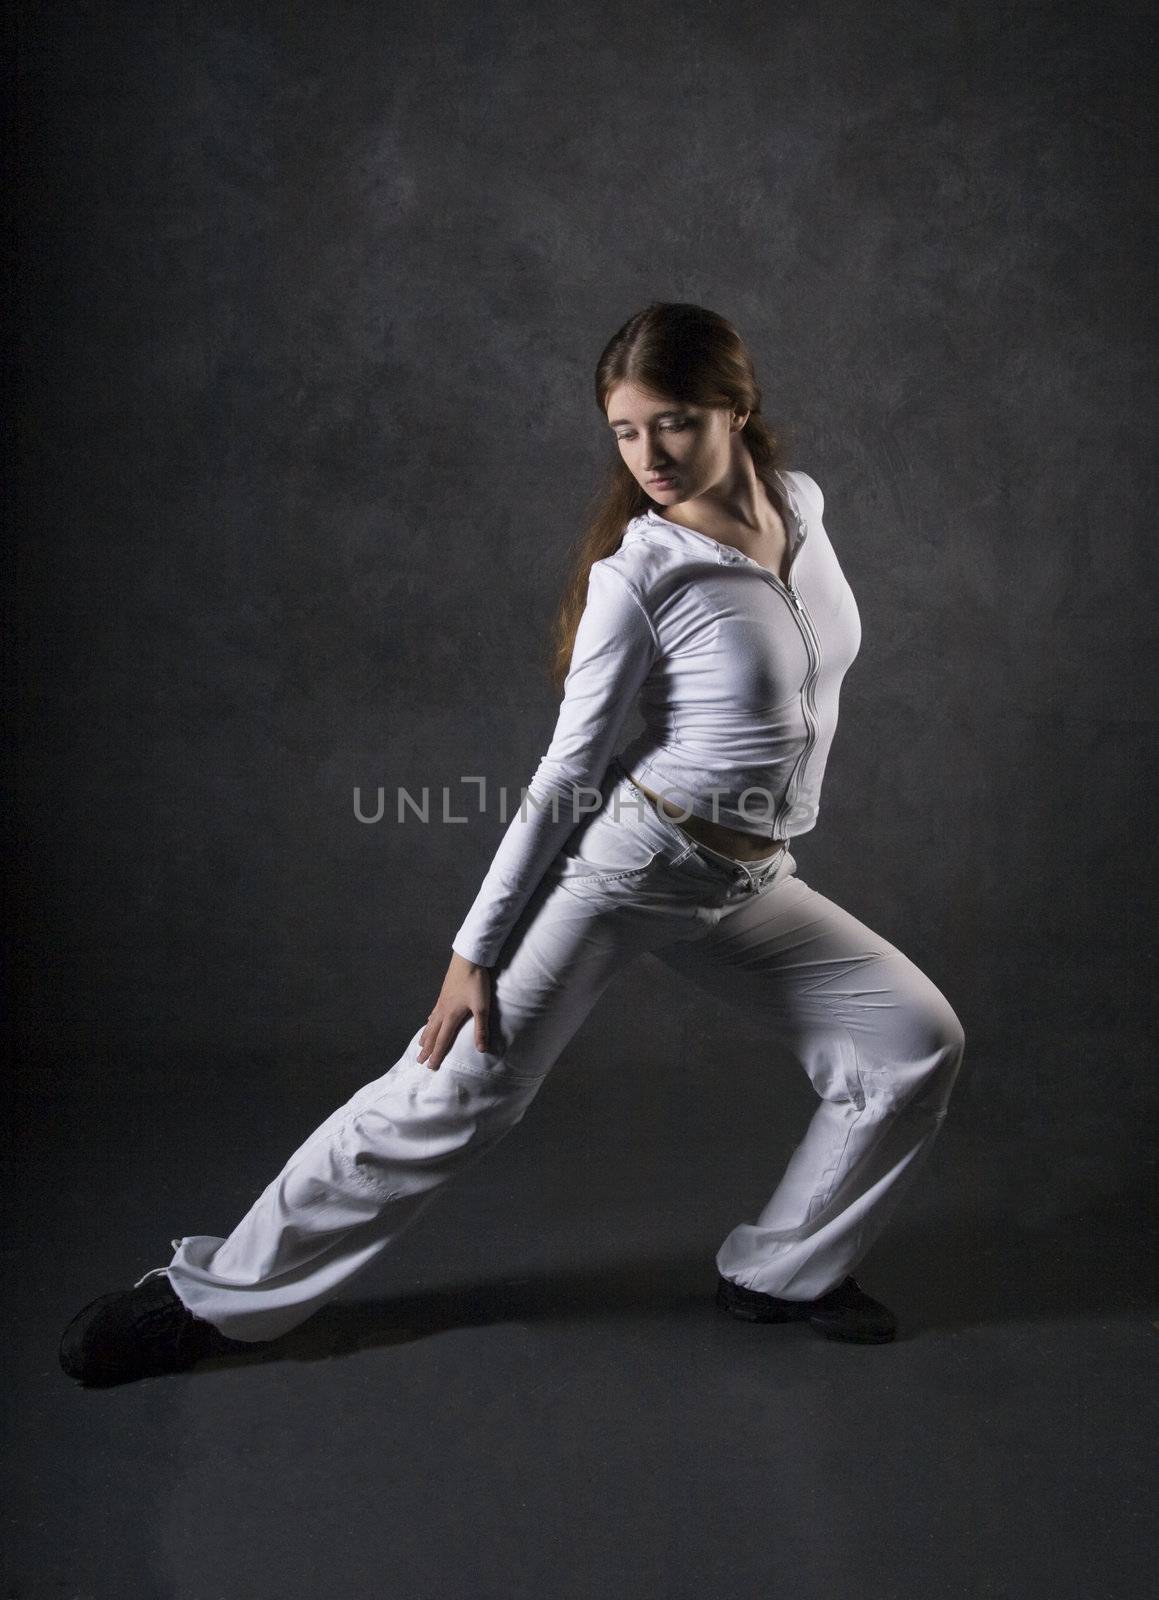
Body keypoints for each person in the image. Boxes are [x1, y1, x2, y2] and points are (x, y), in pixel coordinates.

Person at [60, 301, 965, 1385]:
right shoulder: (644, 571)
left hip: (750, 877)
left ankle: (784, 1270)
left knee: (913, 1041)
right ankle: (209, 1300)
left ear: (736, 404)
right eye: (623, 432)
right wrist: (472, 948)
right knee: (454, 1092)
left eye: (670, 422)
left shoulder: (802, 510)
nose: (648, 456)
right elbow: (563, 774)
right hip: (640, 867)